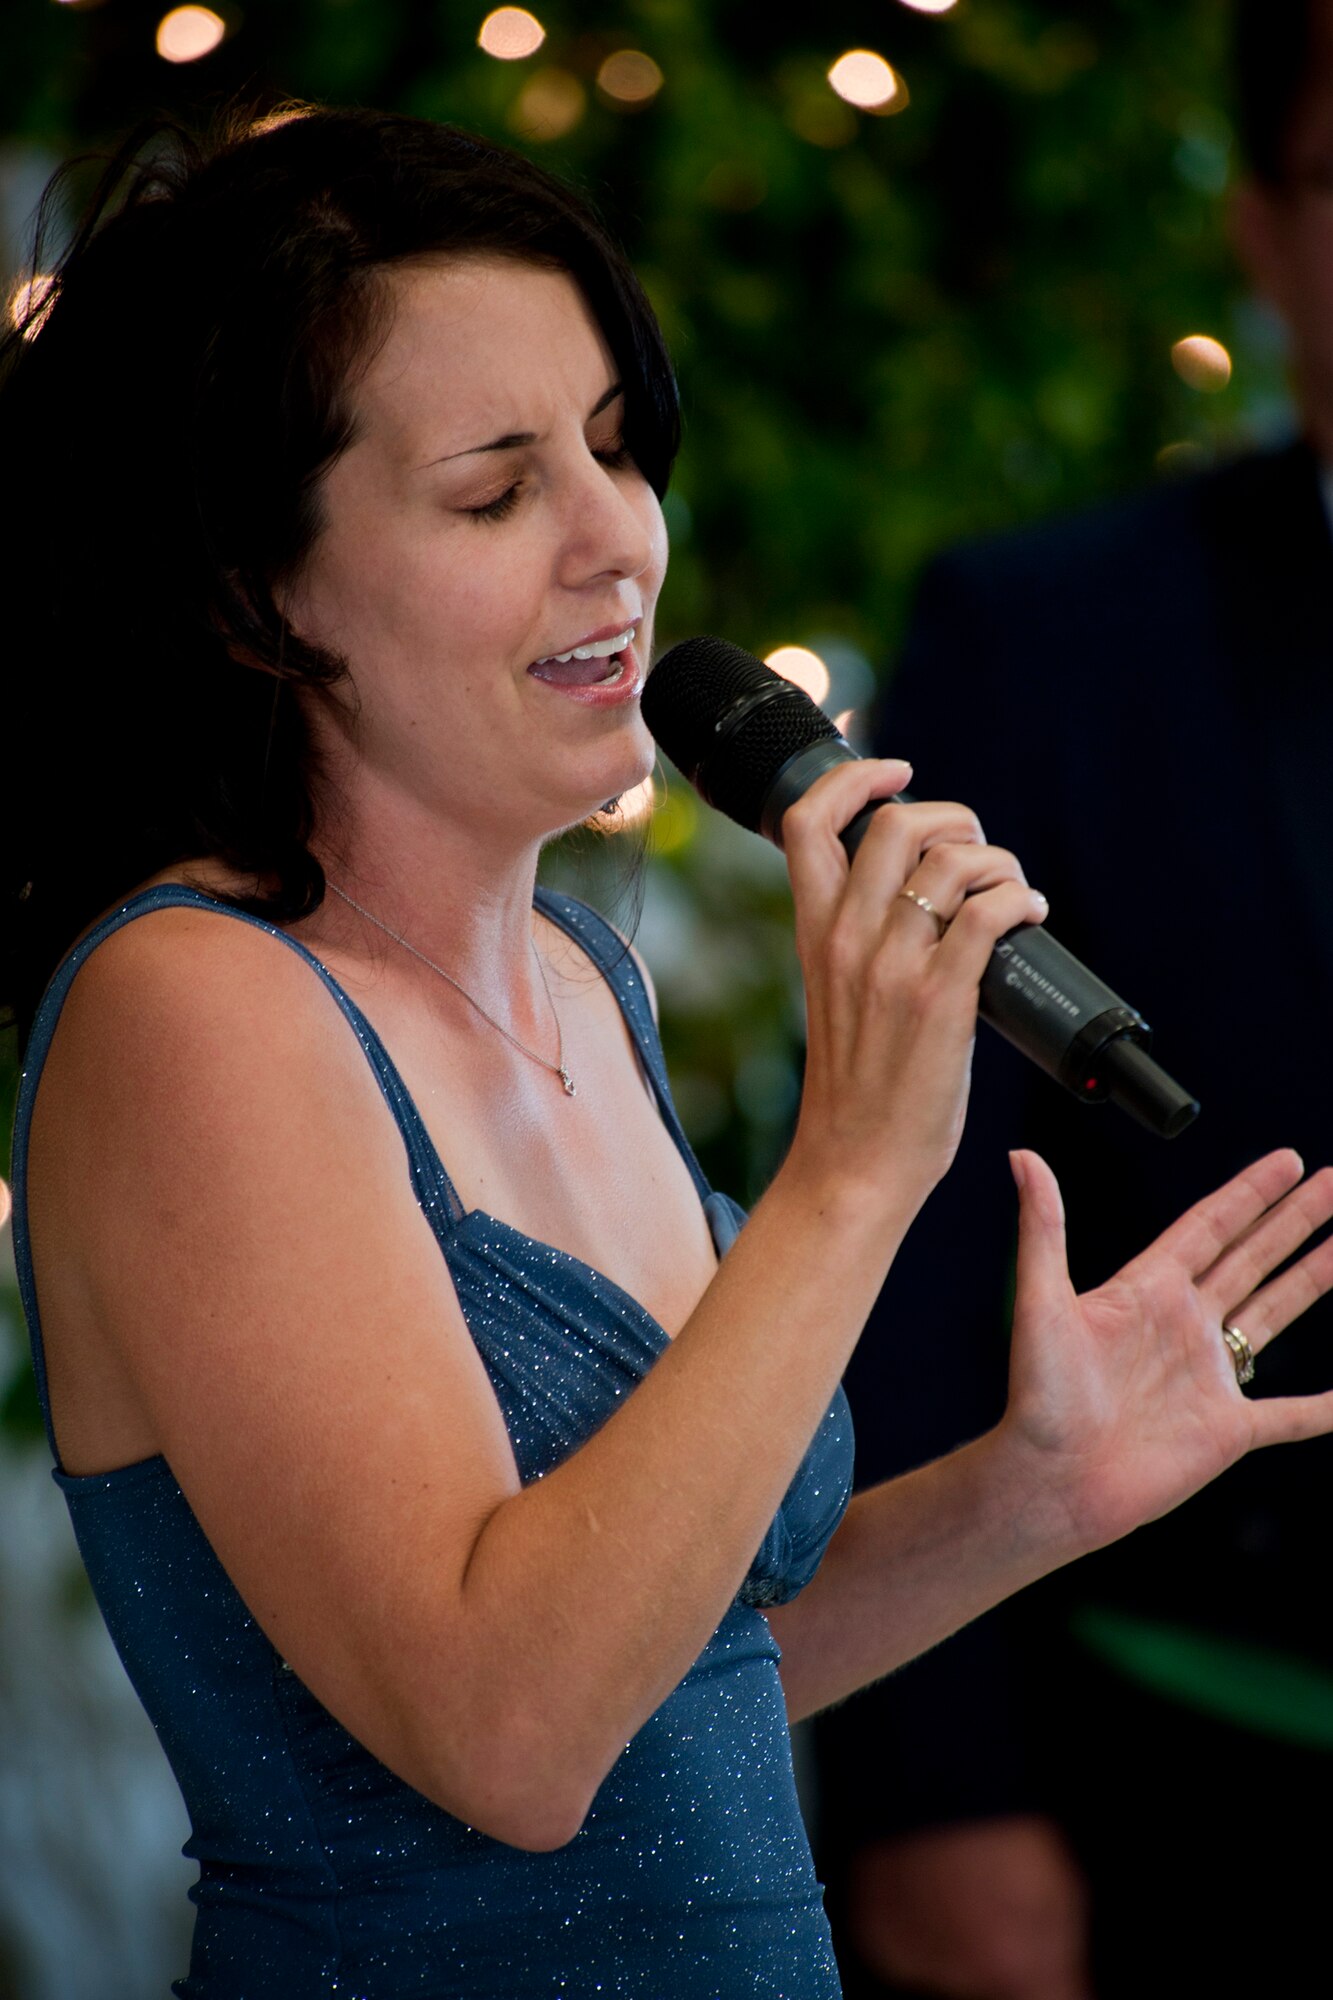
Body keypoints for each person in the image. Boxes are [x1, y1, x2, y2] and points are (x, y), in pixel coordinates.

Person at [3, 104, 1333, 2000]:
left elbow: (676, 1693)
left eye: (615, 451)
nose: (612, 539)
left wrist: (1026, 1494)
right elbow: (508, 1735)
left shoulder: (579, 980)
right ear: (255, 587)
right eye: (493, 490)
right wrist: (855, 1175)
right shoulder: (193, 1006)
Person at [813, 5, 1333, 1996]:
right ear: (1264, 229)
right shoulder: (1046, 639)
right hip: (1193, 1770)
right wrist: (935, 1794)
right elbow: (920, 1221)